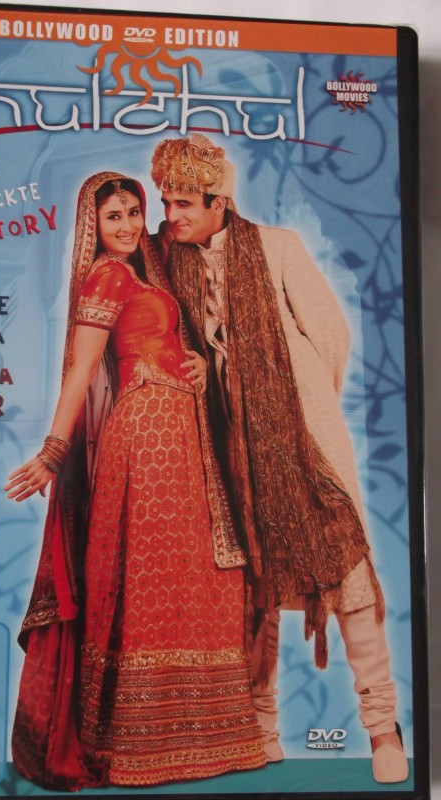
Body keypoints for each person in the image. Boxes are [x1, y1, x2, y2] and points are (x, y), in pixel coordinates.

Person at [150, 134, 409, 784]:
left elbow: (332, 335)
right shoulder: (163, 261)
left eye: (183, 203)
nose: (171, 215)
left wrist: (298, 409)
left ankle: (383, 727)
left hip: (304, 438)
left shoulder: (277, 247)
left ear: (219, 201)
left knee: (346, 568)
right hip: (219, 444)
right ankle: (260, 729)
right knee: (250, 586)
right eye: (166, 202)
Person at [5, 171, 266, 790]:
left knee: (191, 572)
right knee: (151, 577)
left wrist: (193, 362)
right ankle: (134, 743)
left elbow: (156, 337)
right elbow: (82, 370)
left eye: (131, 212)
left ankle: (195, 737)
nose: (125, 226)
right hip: (148, 437)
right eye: (112, 216)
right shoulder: (107, 276)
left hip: (178, 432)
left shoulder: (143, 275)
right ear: (92, 226)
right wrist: (52, 451)